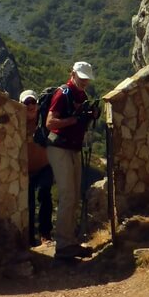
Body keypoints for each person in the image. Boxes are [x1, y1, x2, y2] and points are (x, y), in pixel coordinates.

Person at [45, 61, 98, 260]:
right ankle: (63, 245)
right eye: (82, 77)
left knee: (74, 195)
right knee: (68, 195)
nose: (85, 81)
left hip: (72, 148)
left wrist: (90, 116)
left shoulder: (81, 96)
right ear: (73, 74)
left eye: (87, 78)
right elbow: (50, 122)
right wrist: (75, 120)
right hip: (59, 148)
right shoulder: (63, 93)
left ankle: (70, 241)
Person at [19, 89, 54, 248]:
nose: (30, 106)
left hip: (44, 165)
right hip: (25, 170)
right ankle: (29, 239)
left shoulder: (44, 121)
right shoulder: (15, 123)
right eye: (27, 103)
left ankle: (45, 235)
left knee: (44, 194)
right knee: (29, 203)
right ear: (20, 105)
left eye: (33, 102)